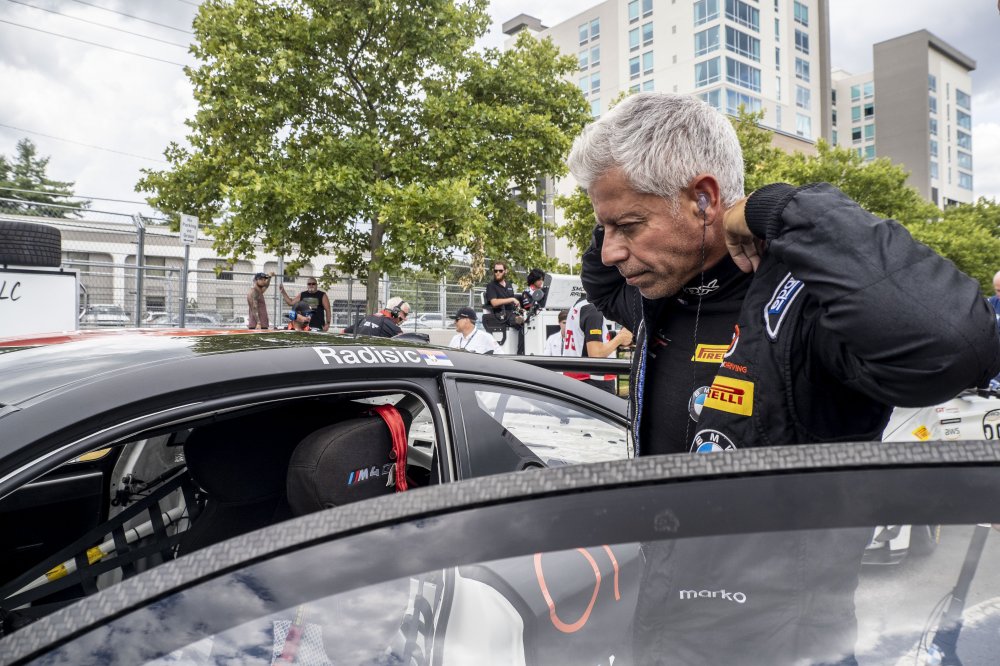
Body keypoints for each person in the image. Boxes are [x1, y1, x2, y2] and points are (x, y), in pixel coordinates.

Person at [568, 92, 1000, 664]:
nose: (611, 251)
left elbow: (956, 346)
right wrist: (612, 203)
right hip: (662, 628)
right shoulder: (656, 294)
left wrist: (781, 210)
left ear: (704, 199)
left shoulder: (807, 310)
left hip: (787, 649)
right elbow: (599, 279)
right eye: (605, 227)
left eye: (627, 224)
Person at [564, 297, 633, 392]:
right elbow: (596, 355)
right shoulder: (593, 309)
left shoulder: (579, 305)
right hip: (594, 381)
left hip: (578, 379)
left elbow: (585, 338)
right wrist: (621, 337)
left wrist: (616, 336)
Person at [485, 261, 524, 353]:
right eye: (495, 271)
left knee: (530, 320)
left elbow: (513, 303)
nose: (497, 273)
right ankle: (520, 354)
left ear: (505, 271)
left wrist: (520, 309)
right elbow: (494, 302)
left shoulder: (509, 284)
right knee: (523, 323)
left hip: (512, 313)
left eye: (500, 271)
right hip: (501, 315)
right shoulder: (491, 286)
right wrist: (511, 299)